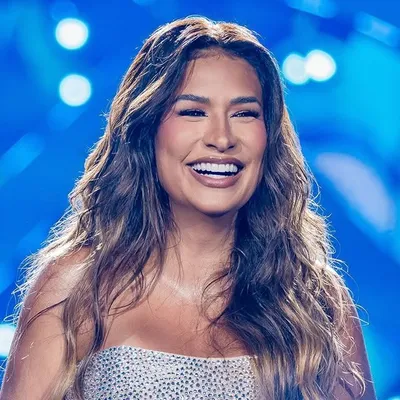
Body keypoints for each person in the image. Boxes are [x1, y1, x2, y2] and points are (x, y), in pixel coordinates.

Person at [0, 16, 376, 400]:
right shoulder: (78, 288)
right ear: (147, 129)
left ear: (269, 136)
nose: (222, 138)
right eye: (193, 112)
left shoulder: (314, 299)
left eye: (244, 113)